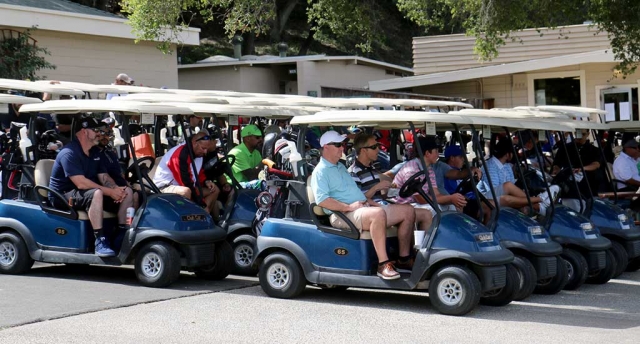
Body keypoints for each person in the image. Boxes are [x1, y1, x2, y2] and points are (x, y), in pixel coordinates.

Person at [311, 131, 415, 280]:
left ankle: (404, 259)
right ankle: (383, 264)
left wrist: (371, 203)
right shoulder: (320, 172)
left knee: (408, 211)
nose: (343, 148)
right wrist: (349, 207)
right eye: (338, 145)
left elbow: (356, 193)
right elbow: (322, 200)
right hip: (342, 214)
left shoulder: (340, 167)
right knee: (377, 214)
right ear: (326, 147)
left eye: (343, 144)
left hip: (360, 208)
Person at [48, 117, 133, 257]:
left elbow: (103, 176)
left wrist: (117, 190)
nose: (99, 134)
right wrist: (110, 192)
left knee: (128, 192)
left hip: (84, 193)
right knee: (97, 193)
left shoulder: (94, 152)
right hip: (63, 195)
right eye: (95, 130)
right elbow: (81, 183)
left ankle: (121, 236)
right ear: (84, 132)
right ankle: (100, 240)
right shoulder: (69, 153)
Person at [348, 133, 432, 232]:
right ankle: (405, 248)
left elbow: (381, 196)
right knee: (409, 212)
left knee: (425, 213)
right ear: (363, 150)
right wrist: (376, 188)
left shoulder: (372, 168)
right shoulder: (353, 172)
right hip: (371, 211)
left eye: (378, 146)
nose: (378, 150)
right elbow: (358, 200)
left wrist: (390, 189)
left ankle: (419, 246)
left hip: (382, 205)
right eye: (374, 147)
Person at [153, 132, 221, 218]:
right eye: (203, 148)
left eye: (207, 149)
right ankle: (193, 217)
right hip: (164, 187)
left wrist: (206, 181)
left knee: (215, 190)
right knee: (185, 191)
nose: (205, 152)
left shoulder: (199, 154)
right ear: (195, 143)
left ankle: (203, 216)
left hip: (185, 186)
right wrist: (201, 203)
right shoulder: (180, 155)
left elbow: (199, 173)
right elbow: (185, 182)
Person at [393, 137, 467, 216]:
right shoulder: (412, 169)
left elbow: (436, 194)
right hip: (403, 205)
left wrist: (452, 201)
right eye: (436, 151)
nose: (438, 155)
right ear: (428, 153)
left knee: (451, 207)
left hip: (415, 204)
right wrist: (450, 198)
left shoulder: (429, 169)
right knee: (433, 210)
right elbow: (421, 199)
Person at [480, 139, 548, 214]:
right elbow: (495, 189)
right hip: (487, 197)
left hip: (502, 195)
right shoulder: (490, 166)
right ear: (507, 154)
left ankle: (538, 206)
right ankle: (539, 202)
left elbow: (513, 186)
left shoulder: (507, 165)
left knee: (523, 206)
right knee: (508, 186)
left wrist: (519, 194)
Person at [96, 119, 140, 209]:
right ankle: (126, 223)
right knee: (133, 195)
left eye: (108, 134)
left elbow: (119, 173)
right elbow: (104, 178)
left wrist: (129, 184)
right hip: (108, 192)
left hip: (121, 187)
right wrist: (117, 190)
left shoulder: (110, 152)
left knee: (145, 194)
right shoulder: (94, 154)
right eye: (102, 133)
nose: (105, 137)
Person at [552, 129, 602, 197]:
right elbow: (557, 164)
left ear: (588, 134)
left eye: (583, 134)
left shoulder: (594, 150)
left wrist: (582, 169)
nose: (580, 137)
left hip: (588, 183)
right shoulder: (565, 148)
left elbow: (596, 164)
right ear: (575, 133)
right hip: (568, 182)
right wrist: (557, 171)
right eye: (578, 134)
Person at [227, 124, 264, 189]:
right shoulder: (237, 153)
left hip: (246, 184)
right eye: (257, 137)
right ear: (247, 138)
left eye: (261, 137)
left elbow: (259, 171)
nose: (261, 140)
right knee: (263, 184)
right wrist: (264, 162)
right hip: (233, 186)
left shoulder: (256, 153)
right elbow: (251, 176)